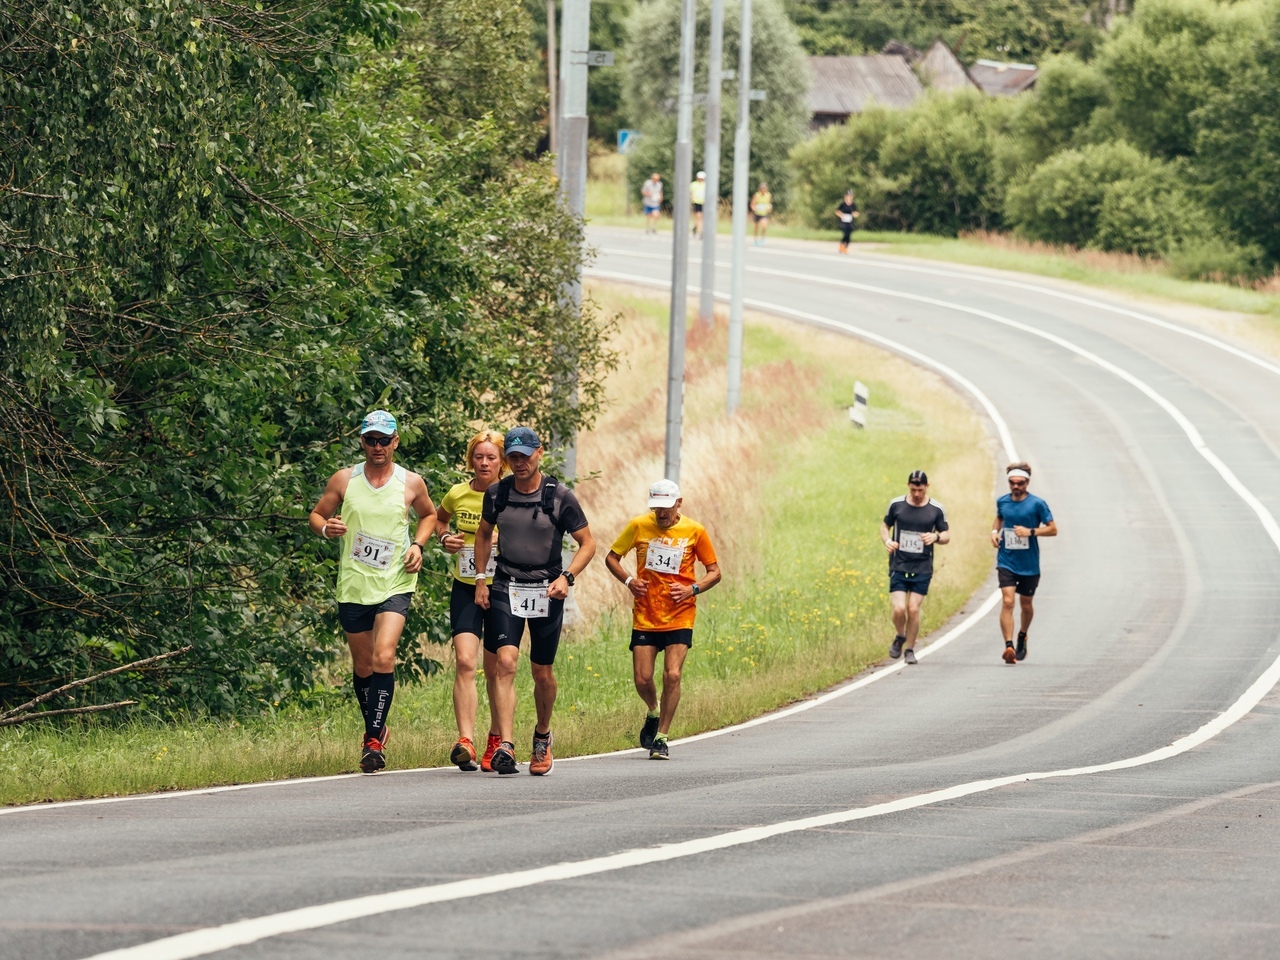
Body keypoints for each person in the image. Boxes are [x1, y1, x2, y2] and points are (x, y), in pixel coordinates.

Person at [308, 410, 436, 773]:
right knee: (363, 666)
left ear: (396, 441)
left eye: (384, 440)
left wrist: (418, 544)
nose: (377, 447)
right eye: (371, 440)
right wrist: (325, 529)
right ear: (362, 442)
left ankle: (373, 741)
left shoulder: (411, 482)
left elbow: (428, 515)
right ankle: (377, 729)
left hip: (395, 581)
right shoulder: (344, 480)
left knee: (383, 657)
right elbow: (316, 516)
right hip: (353, 583)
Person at [473, 427, 596, 775]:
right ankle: (507, 746)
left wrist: (567, 577)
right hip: (506, 585)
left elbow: (588, 543)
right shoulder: (497, 493)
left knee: (542, 672)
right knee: (505, 662)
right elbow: (483, 534)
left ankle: (542, 735)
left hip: (546, 589)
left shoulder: (560, 496)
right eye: (513, 457)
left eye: (525, 456)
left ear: (540, 452)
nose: (519, 463)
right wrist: (481, 578)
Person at [606, 480, 721, 759]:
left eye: (667, 507)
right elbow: (611, 558)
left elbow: (714, 572)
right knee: (643, 679)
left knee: (672, 674)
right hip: (646, 613)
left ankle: (661, 737)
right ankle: (653, 711)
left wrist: (692, 589)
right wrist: (629, 581)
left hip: (681, 613)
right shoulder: (638, 526)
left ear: (678, 503)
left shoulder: (695, 531)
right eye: (657, 507)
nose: (662, 513)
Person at [435, 431, 507, 772]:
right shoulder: (458, 493)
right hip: (465, 586)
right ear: (470, 459)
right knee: (465, 661)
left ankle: (496, 739)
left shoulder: (512, 496)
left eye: (491, 457)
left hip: (502, 589)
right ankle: (465, 741)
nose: (484, 463)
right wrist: (445, 537)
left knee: (496, 670)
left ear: (502, 462)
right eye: (479, 456)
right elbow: (438, 519)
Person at [990, 462, 1057, 664]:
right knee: (1008, 601)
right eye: (1012, 483)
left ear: (1027, 482)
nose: (1016, 486)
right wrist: (994, 533)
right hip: (1006, 560)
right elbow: (999, 519)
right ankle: (1008, 646)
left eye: (1020, 483)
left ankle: (1022, 634)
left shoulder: (1038, 504)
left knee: (1026, 605)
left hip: (1029, 563)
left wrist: (1031, 532)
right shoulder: (1002, 501)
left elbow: (1053, 529)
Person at [880, 470, 950, 666]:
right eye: (913, 489)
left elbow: (946, 535)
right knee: (899, 608)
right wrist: (887, 541)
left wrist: (935, 537)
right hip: (899, 564)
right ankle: (900, 635)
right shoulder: (897, 505)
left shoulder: (935, 509)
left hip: (922, 566)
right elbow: (885, 526)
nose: (917, 494)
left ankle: (910, 649)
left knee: (912, 608)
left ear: (927, 487)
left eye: (920, 490)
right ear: (908, 486)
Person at [690, 170, 707, 238]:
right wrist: (692, 198)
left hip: (703, 202)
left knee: (701, 218)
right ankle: (700, 232)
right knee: (699, 217)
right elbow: (690, 193)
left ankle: (694, 228)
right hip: (696, 202)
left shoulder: (705, 185)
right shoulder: (693, 184)